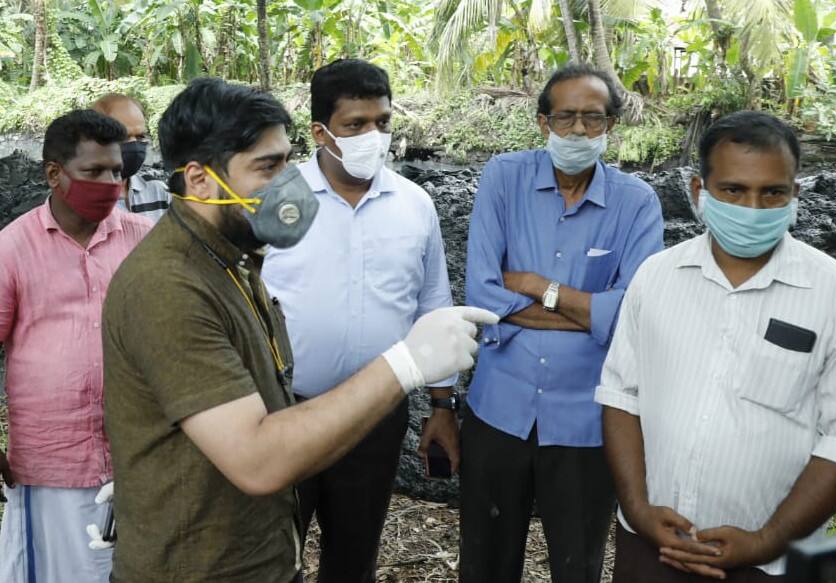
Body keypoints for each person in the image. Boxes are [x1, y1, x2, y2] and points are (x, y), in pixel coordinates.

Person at [101, 77, 497, 583]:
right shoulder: (169, 286)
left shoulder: (231, 261)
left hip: (250, 553)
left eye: (288, 162)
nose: (290, 183)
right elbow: (257, 460)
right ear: (199, 179)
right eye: (268, 167)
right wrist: (406, 363)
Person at [596, 111, 836, 582]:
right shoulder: (656, 277)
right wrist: (639, 510)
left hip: (769, 564)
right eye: (733, 190)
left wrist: (767, 539)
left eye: (772, 193)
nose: (752, 208)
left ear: (795, 195)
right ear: (698, 191)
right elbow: (622, 397)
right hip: (649, 548)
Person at [461, 63, 664, 583]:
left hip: (586, 421)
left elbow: (632, 316)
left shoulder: (636, 203)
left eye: (592, 118)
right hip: (498, 408)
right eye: (565, 117)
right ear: (542, 122)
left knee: (577, 564)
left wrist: (534, 284)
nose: (578, 130)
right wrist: (590, 312)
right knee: (484, 563)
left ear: (611, 126)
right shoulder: (504, 178)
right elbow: (483, 294)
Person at [262, 58, 459, 583]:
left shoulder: (414, 205)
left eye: (383, 122)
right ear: (319, 132)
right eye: (355, 125)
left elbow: (433, 304)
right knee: (270, 555)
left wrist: (442, 406)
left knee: (354, 556)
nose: (374, 136)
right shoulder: (276, 199)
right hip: (285, 411)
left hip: (375, 417)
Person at [0, 109, 151, 583]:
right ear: (54, 174)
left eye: (116, 171)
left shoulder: (145, 242)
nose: (110, 184)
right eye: (94, 171)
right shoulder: (13, 248)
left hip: (138, 458)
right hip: (52, 464)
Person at [93, 93, 172, 223]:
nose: (134, 145)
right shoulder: (82, 200)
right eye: (123, 136)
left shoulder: (157, 191)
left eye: (140, 136)